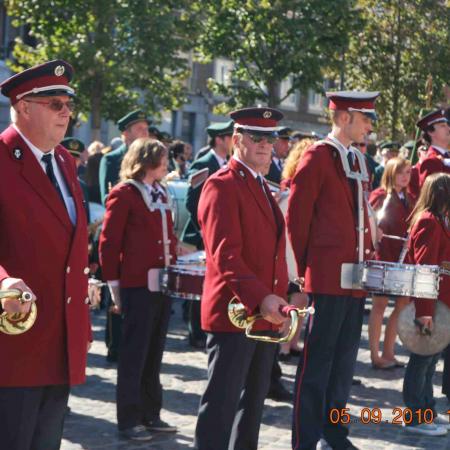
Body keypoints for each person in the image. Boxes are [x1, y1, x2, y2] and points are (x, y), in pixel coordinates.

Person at [0, 59, 91, 450]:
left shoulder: (64, 162)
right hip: (15, 342)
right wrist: (3, 282)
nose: (66, 112)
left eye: (68, 104)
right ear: (23, 107)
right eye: (55, 103)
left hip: (61, 340)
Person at [194, 107, 289, 450]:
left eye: (271, 138)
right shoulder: (222, 185)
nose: (266, 144)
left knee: (251, 409)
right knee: (221, 407)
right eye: (256, 137)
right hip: (235, 313)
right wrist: (262, 298)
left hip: (263, 313)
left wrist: (283, 292)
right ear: (236, 140)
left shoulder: (261, 185)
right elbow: (225, 254)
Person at [287, 91, 378, 450]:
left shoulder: (357, 159)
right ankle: (305, 441)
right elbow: (296, 222)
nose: (369, 126)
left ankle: (334, 433)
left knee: (343, 365)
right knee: (317, 365)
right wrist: (299, 279)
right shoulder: (317, 157)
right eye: (364, 118)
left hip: (355, 279)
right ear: (342, 118)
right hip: (325, 278)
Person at [99, 138, 178, 441]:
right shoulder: (125, 194)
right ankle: (128, 419)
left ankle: (150, 413)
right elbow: (108, 244)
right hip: (136, 286)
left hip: (162, 285)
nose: (166, 165)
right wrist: (115, 288)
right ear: (146, 161)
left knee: (154, 354)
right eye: (161, 159)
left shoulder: (160, 191)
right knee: (134, 355)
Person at [402, 172, 450, 436]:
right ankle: (415, 416)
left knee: (430, 362)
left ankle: (427, 409)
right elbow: (426, 269)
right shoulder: (429, 222)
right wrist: (424, 312)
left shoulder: (438, 220)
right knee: (421, 362)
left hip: (441, 304)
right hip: (432, 305)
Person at [181, 119, 233, 348]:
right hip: (201, 235)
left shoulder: (229, 163)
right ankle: (196, 332)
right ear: (220, 139)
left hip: (222, 234)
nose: (235, 141)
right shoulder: (204, 163)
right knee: (199, 287)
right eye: (231, 136)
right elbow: (193, 203)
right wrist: (206, 230)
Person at [368, 157, 413, 369]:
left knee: (402, 305)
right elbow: (372, 223)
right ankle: (375, 356)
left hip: (404, 260)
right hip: (384, 257)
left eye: (408, 173)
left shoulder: (410, 198)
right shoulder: (380, 196)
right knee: (380, 305)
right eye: (400, 172)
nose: (405, 177)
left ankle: (389, 352)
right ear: (390, 173)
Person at [98, 109, 150, 204]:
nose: (145, 133)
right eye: (140, 129)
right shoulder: (111, 159)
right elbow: (107, 198)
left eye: (146, 129)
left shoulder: (150, 159)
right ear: (126, 134)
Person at [416, 109, 450, 189]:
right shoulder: (430, 161)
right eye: (443, 126)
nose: (448, 128)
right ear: (431, 132)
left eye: (447, 125)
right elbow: (431, 196)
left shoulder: (446, 156)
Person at [60, 137, 91, 222]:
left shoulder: (82, 186)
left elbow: (86, 218)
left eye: (76, 159)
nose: (72, 161)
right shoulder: (53, 180)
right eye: (68, 157)